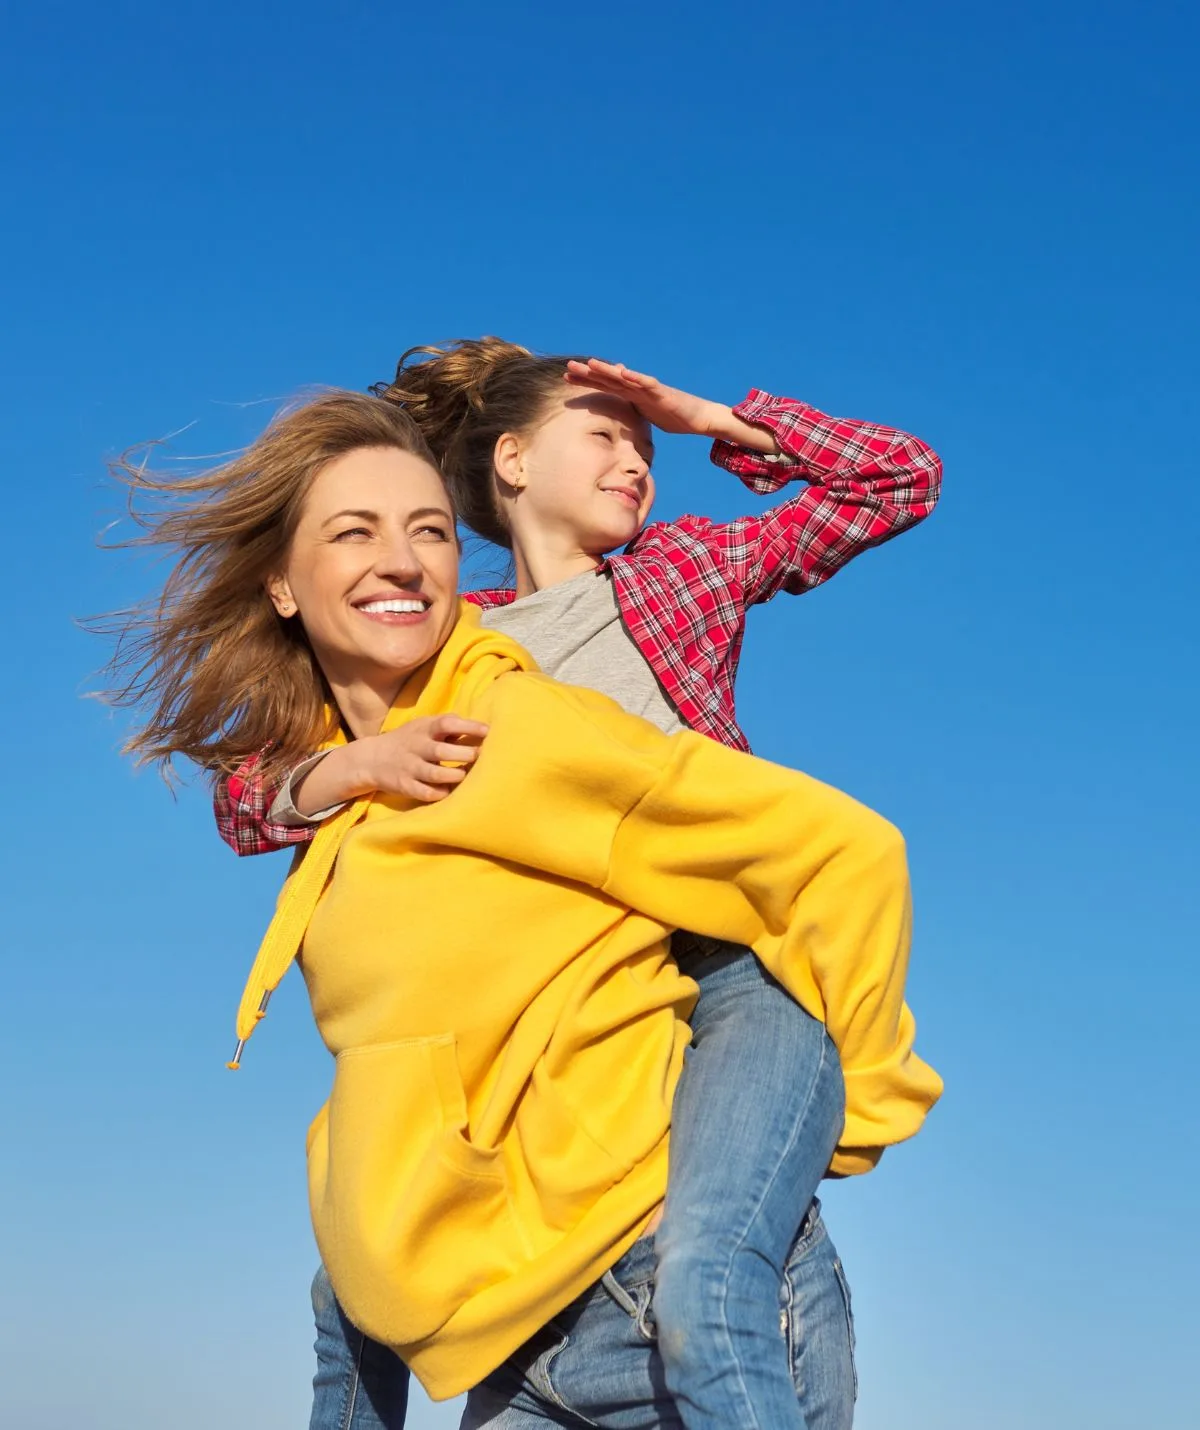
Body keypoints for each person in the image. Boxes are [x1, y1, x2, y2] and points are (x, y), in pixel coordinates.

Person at [102, 389, 940, 1429]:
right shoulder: (447, 665)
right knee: (346, 1277)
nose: (636, 461)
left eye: (424, 533)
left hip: (730, 950)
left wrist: (717, 420)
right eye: (605, 436)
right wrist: (348, 769)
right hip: (527, 1317)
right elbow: (248, 796)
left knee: (707, 1276)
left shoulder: (667, 583)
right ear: (511, 462)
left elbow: (895, 484)